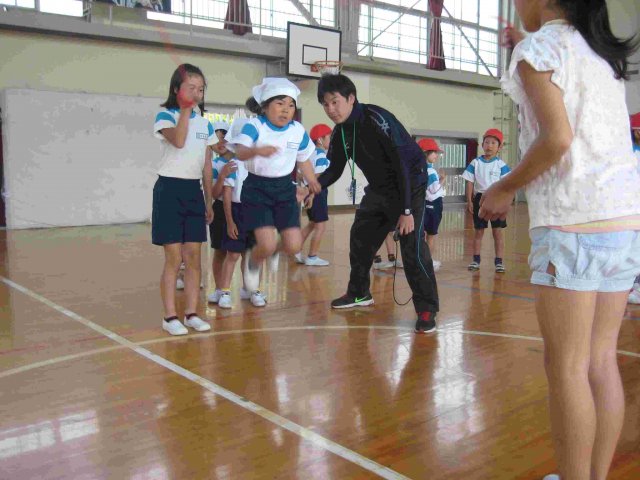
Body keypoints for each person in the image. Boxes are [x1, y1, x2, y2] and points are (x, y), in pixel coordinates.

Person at [481, 2, 640, 478]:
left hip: (572, 223)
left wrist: (504, 186)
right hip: (623, 223)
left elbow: (558, 139)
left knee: (568, 368)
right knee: (599, 361)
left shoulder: (540, 49)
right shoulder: (597, 53)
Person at [316, 73, 439, 334]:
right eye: (325, 104)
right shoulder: (340, 133)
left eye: (335, 102)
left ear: (351, 99)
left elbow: (402, 165)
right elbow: (335, 169)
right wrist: (313, 186)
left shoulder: (377, 119)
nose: (331, 109)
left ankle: (427, 308)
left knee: (412, 246)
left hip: (411, 183)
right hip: (381, 189)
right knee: (361, 235)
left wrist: (406, 211)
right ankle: (359, 292)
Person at [226, 78, 321, 293]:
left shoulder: (297, 130)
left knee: (294, 245)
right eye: (280, 103)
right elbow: (240, 152)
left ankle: (273, 251)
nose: (286, 110)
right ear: (265, 106)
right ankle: (254, 261)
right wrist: (257, 151)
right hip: (257, 189)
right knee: (266, 244)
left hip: (285, 189)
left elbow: (303, 158)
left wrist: (312, 180)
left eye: (291, 105)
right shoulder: (255, 126)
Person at [152, 64, 216, 336]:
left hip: (193, 192)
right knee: (174, 257)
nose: (197, 92)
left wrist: (209, 201)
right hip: (169, 190)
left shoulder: (206, 123)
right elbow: (178, 141)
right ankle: (169, 317)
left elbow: (206, 165)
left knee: (194, 257)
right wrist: (187, 111)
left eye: (200, 88)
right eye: (191, 87)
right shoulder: (165, 115)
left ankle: (191, 313)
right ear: (177, 89)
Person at [218, 118, 267, 309]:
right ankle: (224, 291)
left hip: (256, 213)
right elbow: (227, 194)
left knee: (254, 255)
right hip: (238, 212)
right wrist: (230, 221)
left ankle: (252, 289)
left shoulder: (259, 165)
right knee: (233, 254)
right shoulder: (233, 166)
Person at [462, 128, 511, 273]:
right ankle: (476, 260)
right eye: (487, 142)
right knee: (478, 232)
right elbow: (470, 182)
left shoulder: (501, 165)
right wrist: (469, 201)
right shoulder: (475, 163)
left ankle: (499, 262)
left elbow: (507, 185)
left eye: (493, 143)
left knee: (497, 232)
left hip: (496, 201)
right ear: (482, 145)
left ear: (499, 147)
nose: (489, 145)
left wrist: (505, 202)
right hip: (479, 199)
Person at [295, 123, 332, 266]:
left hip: (308, 191)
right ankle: (312, 256)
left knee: (311, 224)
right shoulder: (321, 155)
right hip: (317, 192)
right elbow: (318, 177)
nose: (331, 140)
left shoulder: (310, 155)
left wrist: (305, 189)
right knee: (320, 226)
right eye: (329, 137)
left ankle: (296, 250)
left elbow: (299, 174)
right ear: (320, 139)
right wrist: (311, 194)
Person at [418, 138, 445, 272]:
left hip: (423, 205)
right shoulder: (431, 171)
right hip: (434, 205)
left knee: (422, 234)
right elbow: (434, 189)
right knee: (432, 234)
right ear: (425, 153)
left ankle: (421, 260)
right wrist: (443, 181)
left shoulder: (417, 169)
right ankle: (428, 261)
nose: (436, 155)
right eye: (434, 152)